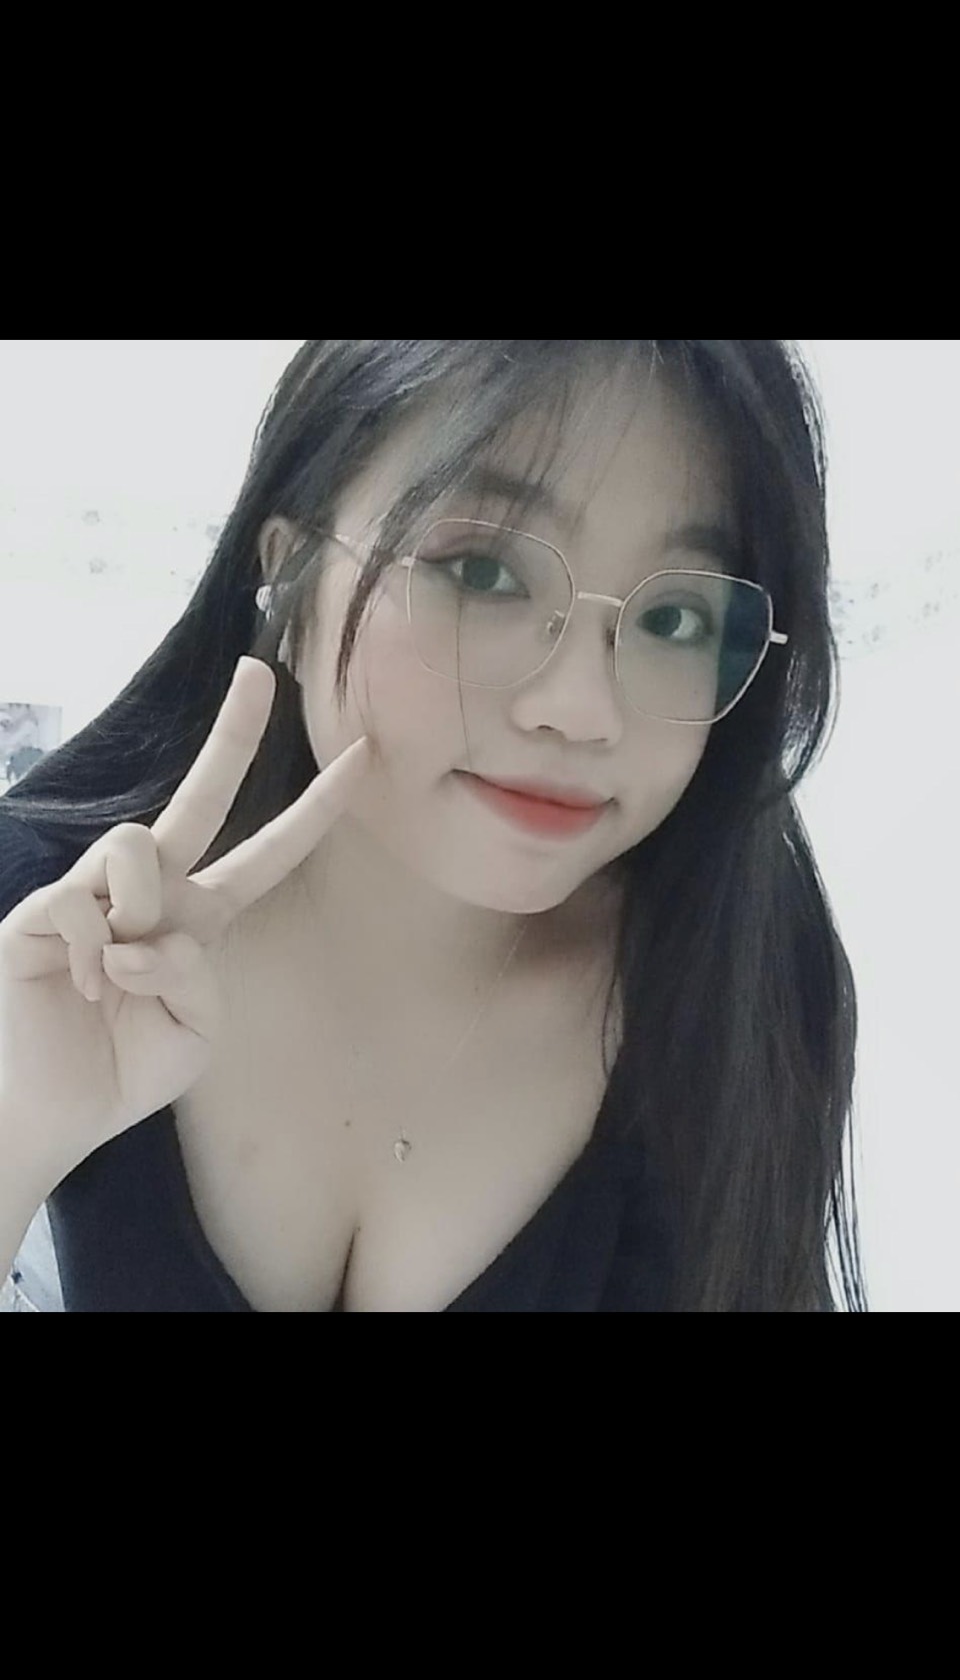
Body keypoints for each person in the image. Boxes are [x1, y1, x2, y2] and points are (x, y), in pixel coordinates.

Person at [0, 340, 868, 1312]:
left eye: (675, 618)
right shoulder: (53, 935)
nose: (583, 710)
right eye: (484, 572)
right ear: (290, 571)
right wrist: (16, 1131)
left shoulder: (744, 979)